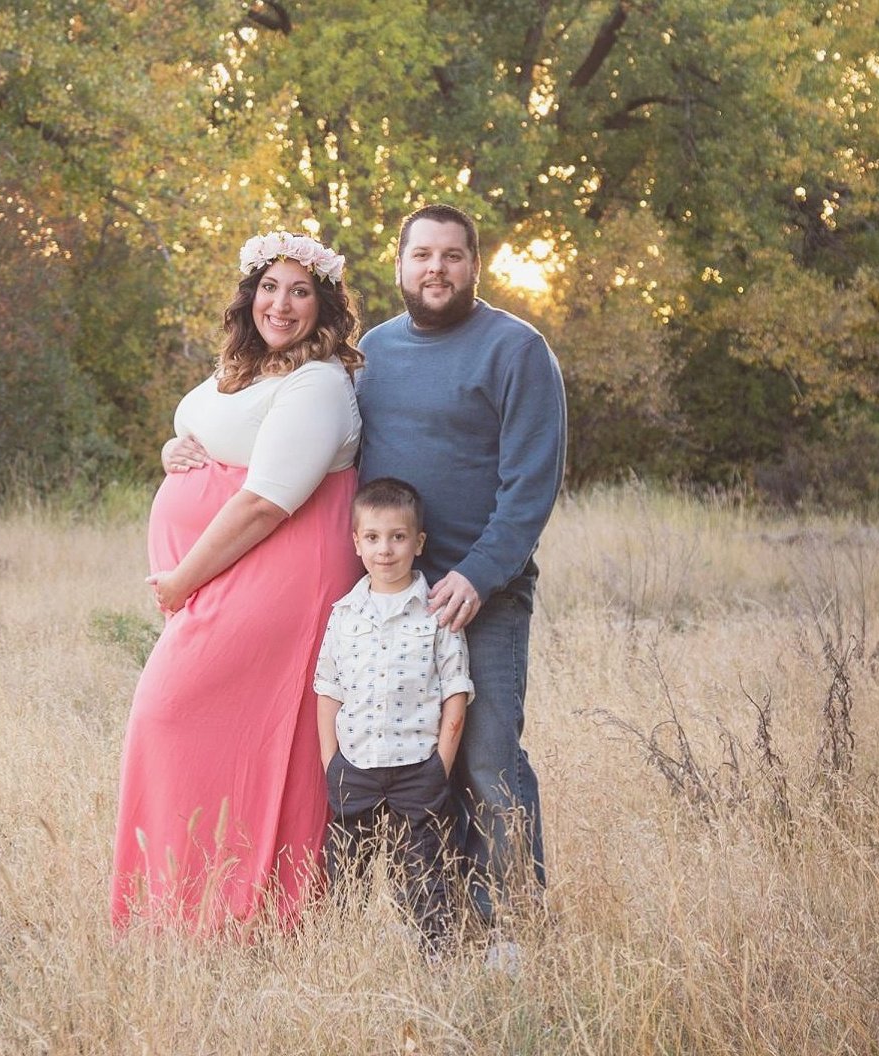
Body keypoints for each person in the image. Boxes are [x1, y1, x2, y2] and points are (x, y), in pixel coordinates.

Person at [111, 231, 363, 931]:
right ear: (250, 294)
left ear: (326, 304)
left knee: (173, 715)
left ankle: (238, 907)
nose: (280, 304)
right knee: (216, 733)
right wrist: (174, 447)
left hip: (279, 580)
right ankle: (188, 909)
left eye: (301, 291)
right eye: (269, 287)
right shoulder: (250, 367)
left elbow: (264, 502)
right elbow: (208, 427)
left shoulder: (318, 383)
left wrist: (180, 582)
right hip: (233, 579)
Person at [355, 204, 566, 927]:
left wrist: (479, 573)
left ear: (476, 264)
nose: (435, 269)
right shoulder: (372, 353)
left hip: (484, 595)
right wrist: (185, 442)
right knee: (417, 770)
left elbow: (532, 482)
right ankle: (440, 925)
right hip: (393, 600)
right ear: (400, 265)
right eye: (422, 256)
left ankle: (511, 922)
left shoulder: (515, 350)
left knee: (486, 759)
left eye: (451, 255)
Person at [314, 478, 473, 948]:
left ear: (418, 543)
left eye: (398, 537)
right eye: (373, 537)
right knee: (346, 871)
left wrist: (440, 764)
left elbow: (456, 690)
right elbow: (328, 690)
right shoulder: (344, 614)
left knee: (425, 870)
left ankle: (435, 953)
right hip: (356, 765)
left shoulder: (436, 613)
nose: (385, 549)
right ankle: (345, 954)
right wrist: (332, 762)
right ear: (356, 543)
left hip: (416, 766)